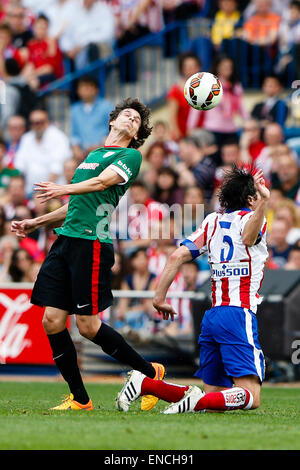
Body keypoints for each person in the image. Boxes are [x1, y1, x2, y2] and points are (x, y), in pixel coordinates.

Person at [11, 98, 165, 411]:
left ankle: (151, 373)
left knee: (88, 326)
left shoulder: (130, 155)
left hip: (91, 243)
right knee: (51, 321)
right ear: (112, 121)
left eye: (136, 120)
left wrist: (62, 188)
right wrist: (35, 222)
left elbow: (101, 184)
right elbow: (75, 206)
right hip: (65, 242)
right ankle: (80, 399)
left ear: (137, 134)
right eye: (126, 114)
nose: (130, 119)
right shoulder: (93, 155)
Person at [116, 166, 270, 414]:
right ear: (251, 199)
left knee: (215, 397)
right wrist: (264, 203)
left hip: (212, 316)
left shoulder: (211, 222)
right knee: (251, 396)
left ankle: (145, 384)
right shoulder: (254, 220)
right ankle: (194, 402)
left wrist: (158, 297)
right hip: (238, 314)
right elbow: (249, 238)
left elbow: (176, 256)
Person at [14, 108, 72, 197]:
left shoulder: (58, 137)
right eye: (34, 123)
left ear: (47, 122)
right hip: (29, 191)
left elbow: (56, 169)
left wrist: (43, 192)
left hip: (54, 191)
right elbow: (19, 167)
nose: (37, 126)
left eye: (40, 122)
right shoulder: (26, 138)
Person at [70, 75, 113, 162]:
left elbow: (113, 131)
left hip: (103, 153)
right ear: (78, 90)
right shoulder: (74, 109)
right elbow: (74, 134)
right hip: (83, 156)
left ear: (96, 89)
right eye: (83, 87)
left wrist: (100, 146)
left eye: (89, 87)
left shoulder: (107, 107)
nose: (86, 90)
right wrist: (75, 148)